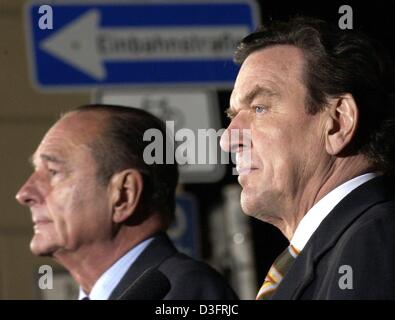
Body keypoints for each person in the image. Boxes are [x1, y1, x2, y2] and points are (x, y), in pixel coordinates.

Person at [220, 16, 395, 299]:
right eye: (232, 117)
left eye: (259, 108)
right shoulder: (332, 248)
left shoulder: (374, 243)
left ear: (338, 122)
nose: (228, 139)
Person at [16, 104, 238, 300]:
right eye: (36, 171)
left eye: (53, 172)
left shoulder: (185, 293)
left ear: (124, 195)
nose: (24, 193)